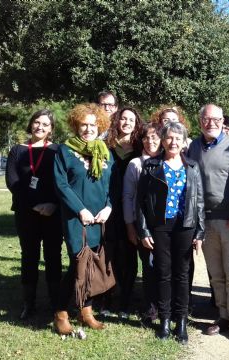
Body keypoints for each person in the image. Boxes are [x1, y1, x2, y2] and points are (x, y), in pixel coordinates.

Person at [186, 104, 229, 342]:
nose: (210, 122)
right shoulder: (193, 146)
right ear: (200, 120)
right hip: (205, 220)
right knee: (215, 273)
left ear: (223, 121)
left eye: (216, 119)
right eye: (206, 118)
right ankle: (223, 316)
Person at [137, 122, 205, 345]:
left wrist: (200, 231)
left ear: (184, 141)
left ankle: (181, 320)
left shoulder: (192, 167)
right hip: (161, 226)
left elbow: (200, 201)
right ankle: (165, 319)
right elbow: (141, 202)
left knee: (182, 274)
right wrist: (144, 229)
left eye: (178, 138)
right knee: (163, 273)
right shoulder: (151, 166)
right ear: (163, 140)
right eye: (169, 138)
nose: (173, 142)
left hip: (185, 226)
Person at [52, 103, 115, 334]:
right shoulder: (65, 151)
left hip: (99, 218)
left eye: (93, 125)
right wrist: (80, 210)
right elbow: (61, 185)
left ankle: (86, 311)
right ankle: (60, 312)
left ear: (100, 126)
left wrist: (109, 207)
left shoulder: (105, 151)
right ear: (76, 126)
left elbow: (112, 186)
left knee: (91, 264)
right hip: (75, 218)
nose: (88, 129)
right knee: (78, 263)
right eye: (83, 125)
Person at [5, 109, 63, 320]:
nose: (40, 127)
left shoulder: (58, 151)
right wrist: (34, 205)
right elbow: (13, 182)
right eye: (37, 123)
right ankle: (29, 304)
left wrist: (53, 204)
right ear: (31, 125)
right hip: (26, 213)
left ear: (51, 129)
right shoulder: (17, 151)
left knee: (53, 256)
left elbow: (63, 182)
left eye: (45, 124)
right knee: (29, 256)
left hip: (52, 213)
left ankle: (55, 304)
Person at [104, 106, 145, 318]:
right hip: (109, 207)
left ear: (137, 123)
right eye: (123, 119)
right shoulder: (106, 147)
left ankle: (126, 300)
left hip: (132, 208)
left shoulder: (140, 148)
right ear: (117, 121)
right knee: (110, 252)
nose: (127, 122)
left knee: (129, 254)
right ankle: (107, 295)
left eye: (131, 119)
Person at [123, 123, 161, 325]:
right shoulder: (136, 164)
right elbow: (128, 196)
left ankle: (167, 306)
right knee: (149, 266)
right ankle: (150, 308)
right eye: (146, 137)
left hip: (166, 225)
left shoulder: (170, 160)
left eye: (155, 137)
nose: (151, 141)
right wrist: (130, 225)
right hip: (143, 224)